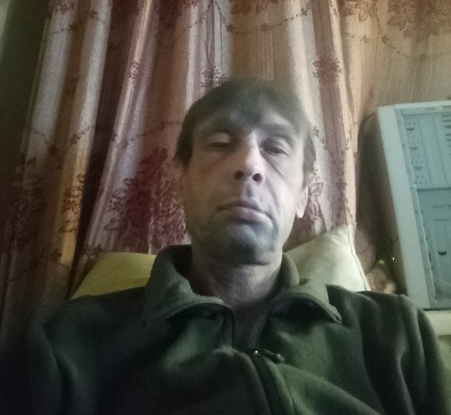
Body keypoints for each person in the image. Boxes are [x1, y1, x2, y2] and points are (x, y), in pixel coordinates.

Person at [3, 77, 451, 414]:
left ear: (303, 195)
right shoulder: (64, 341)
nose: (249, 163)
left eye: (276, 148)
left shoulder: (396, 333)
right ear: (180, 179)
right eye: (220, 143)